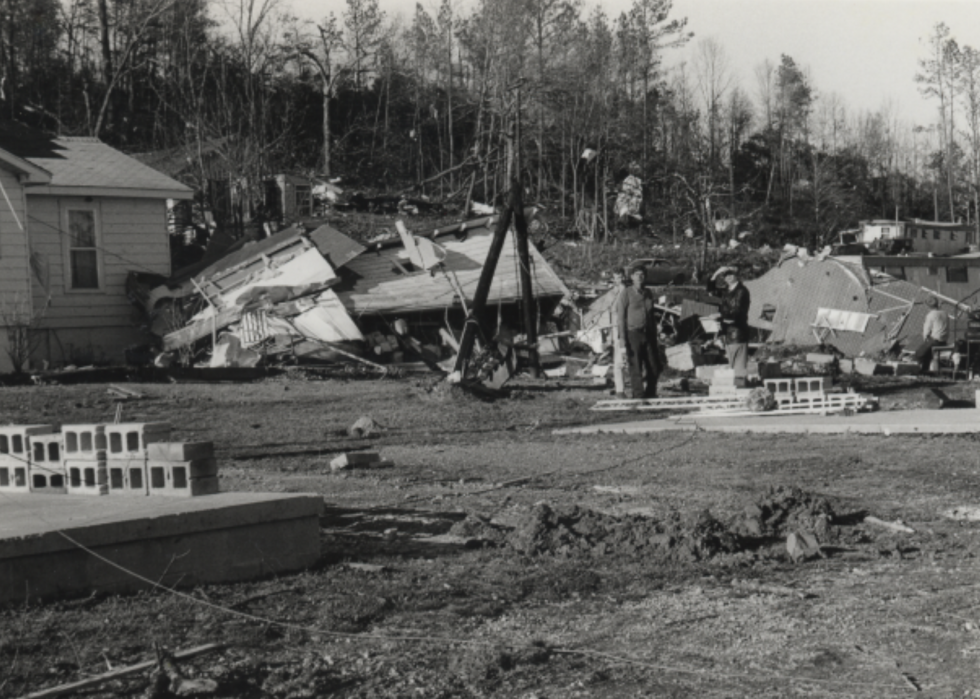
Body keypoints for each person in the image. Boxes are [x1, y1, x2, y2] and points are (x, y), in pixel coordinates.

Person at [617, 266, 660, 398]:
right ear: (632, 277)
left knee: (654, 366)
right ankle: (638, 396)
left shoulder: (648, 293)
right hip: (632, 333)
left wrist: (655, 334)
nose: (640, 277)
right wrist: (623, 339)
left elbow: (651, 315)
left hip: (648, 333)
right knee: (635, 366)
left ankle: (651, 394)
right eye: (636, 274)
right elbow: (621, 317)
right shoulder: (626, 293)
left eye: (642, 274)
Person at [708, 265, 751, 379]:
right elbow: (710, 290)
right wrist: (716, 273)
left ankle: (740, 388)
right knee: (732, 365)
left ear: (737, 276)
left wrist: (720, 315)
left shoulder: (741, 291)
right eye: (726, 275)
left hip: (738, 333)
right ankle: (736, 386)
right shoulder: (726, 291)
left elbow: (737, 312)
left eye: (731, 274)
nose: (728, 278)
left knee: (739, 368)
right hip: (727, 333)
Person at [914, 296, 949, 374]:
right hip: (944, 341)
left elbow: (926, 330)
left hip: (936, 340)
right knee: (928, 353)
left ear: (928, 306)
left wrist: (925, 338)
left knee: (919, 354)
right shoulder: (945, 313)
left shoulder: (931, 315)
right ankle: (925, 371)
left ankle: (918, 371)